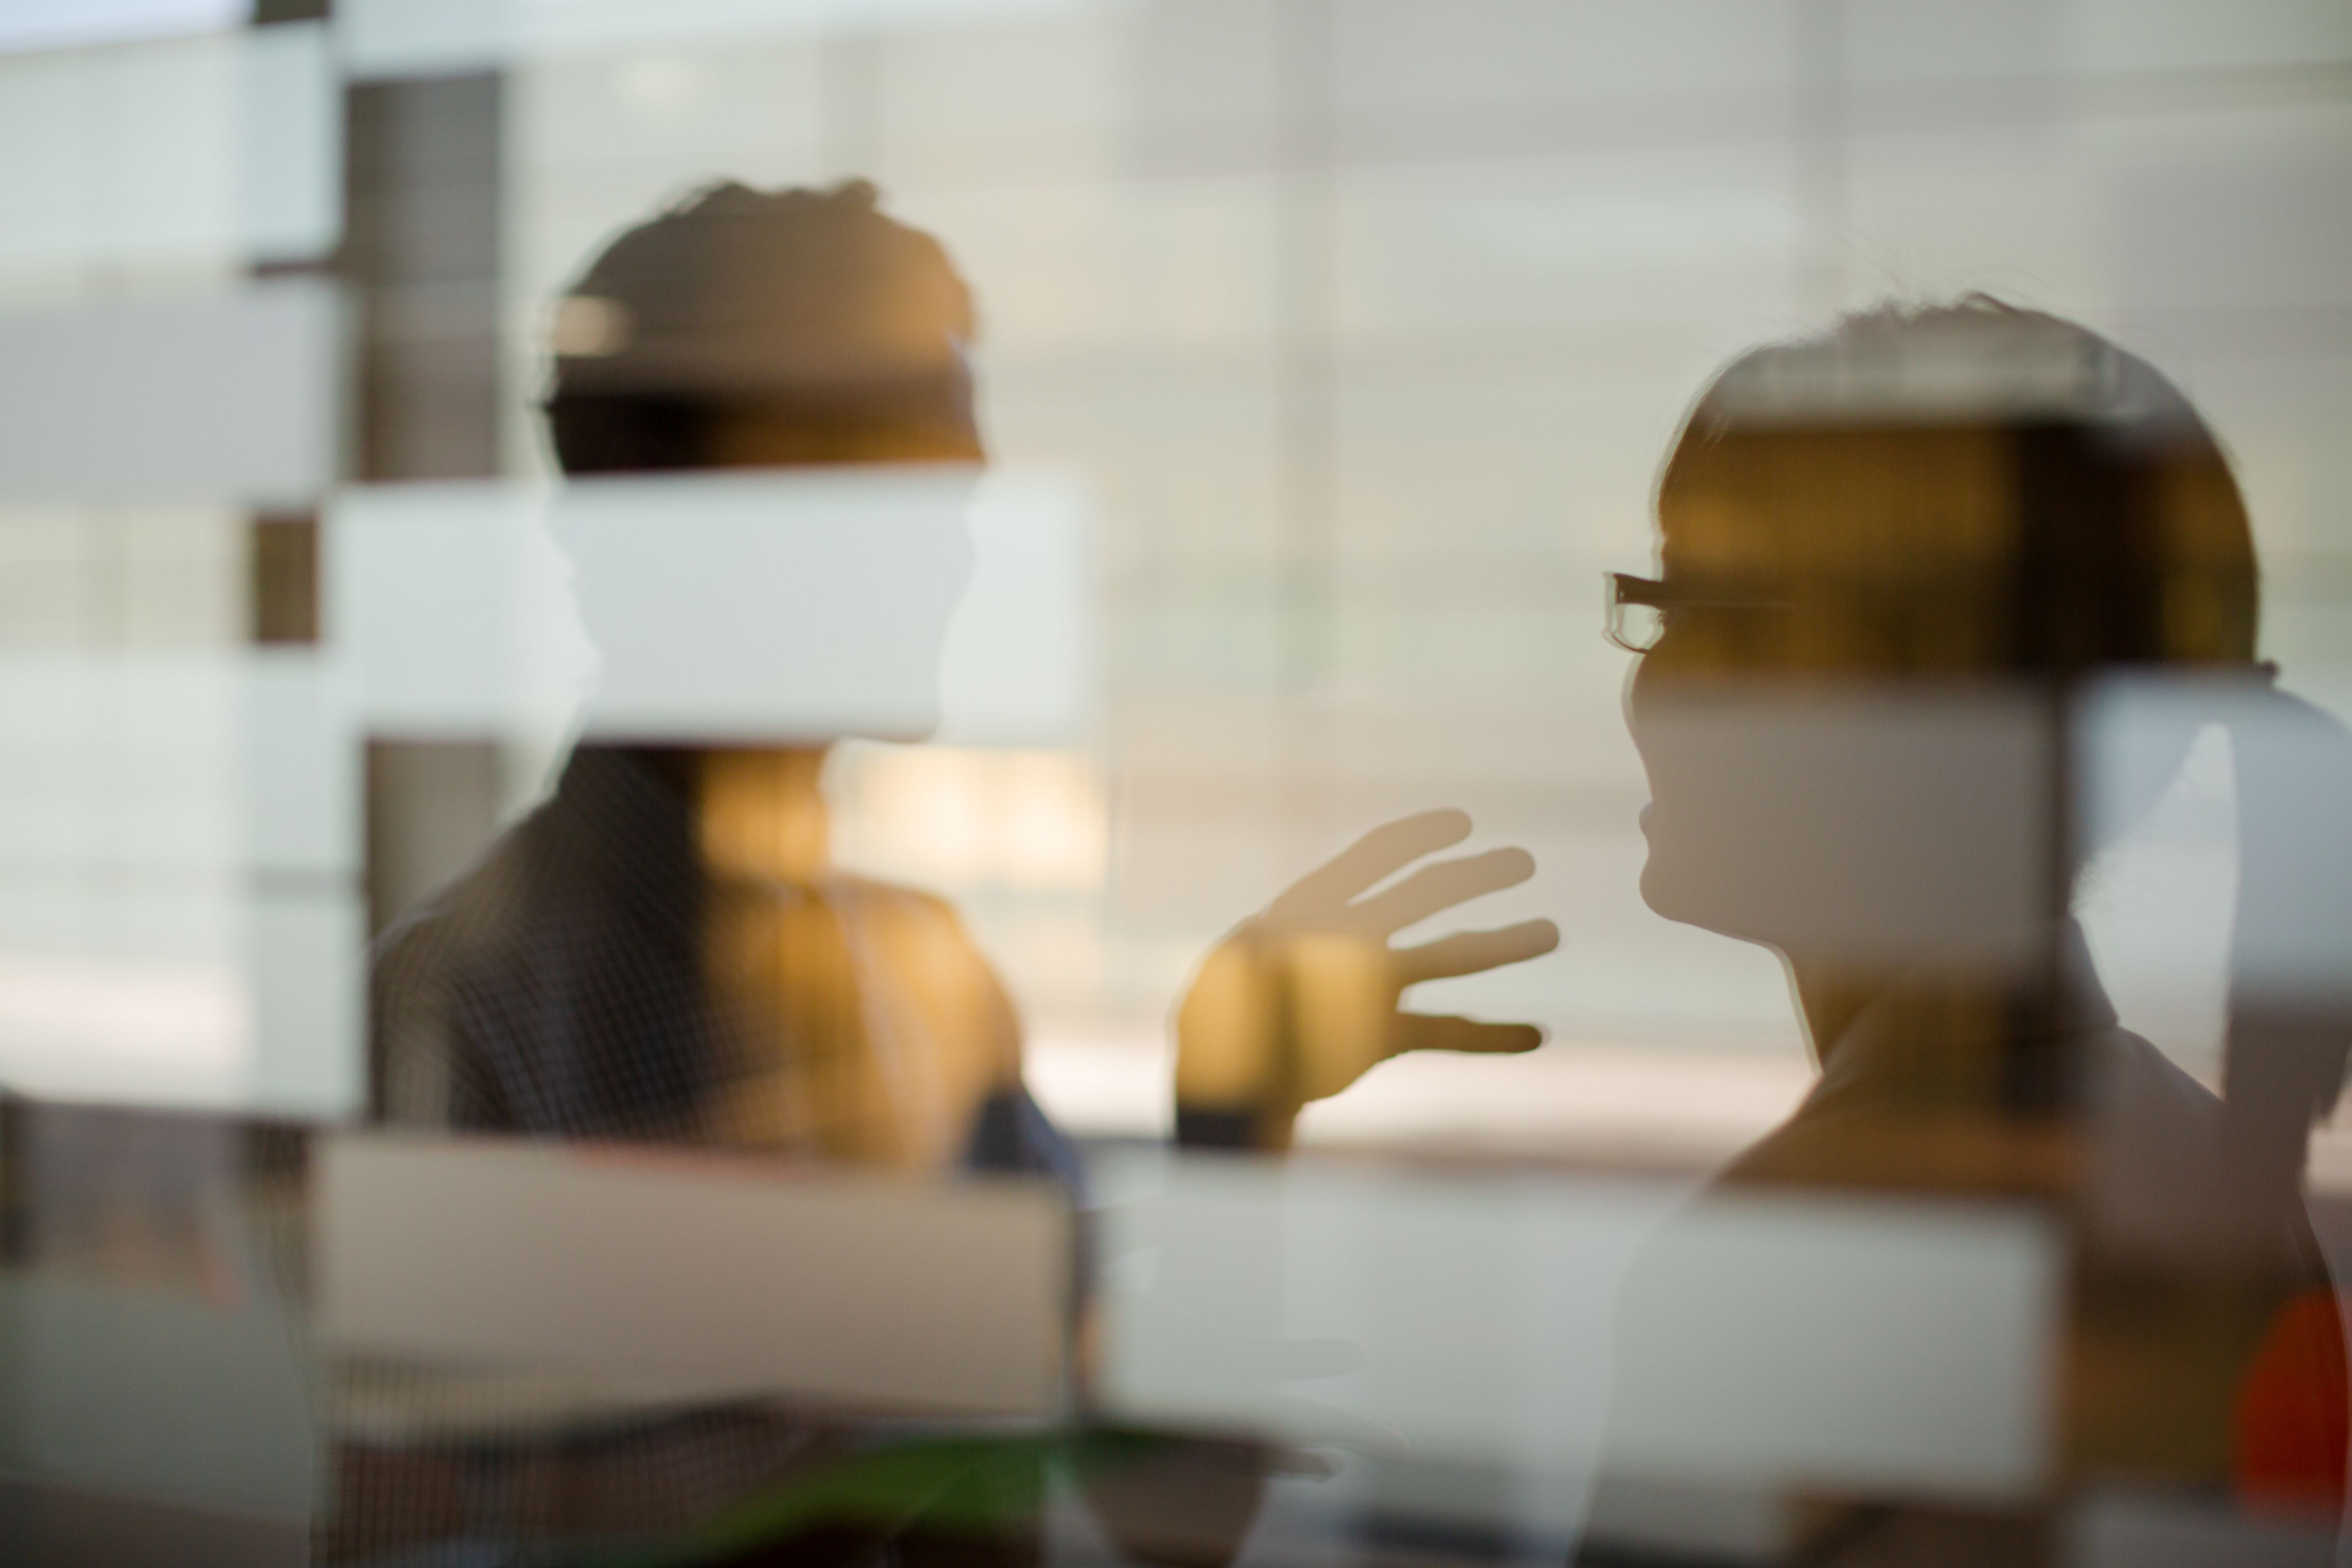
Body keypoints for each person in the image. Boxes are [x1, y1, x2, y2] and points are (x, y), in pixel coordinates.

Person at [336, 179, 1558, 1564]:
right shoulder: (470, 1017)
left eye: (955, 493)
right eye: (900, 487)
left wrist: (1233, 1107)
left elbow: (1170, 1515)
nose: (959, 551)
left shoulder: (928, 978)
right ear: (676, 518)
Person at [1607, 298, 2352, 1539]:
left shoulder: (1783, 1268)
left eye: (1686, 609)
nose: (1645, 682)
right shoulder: (2207, 1166)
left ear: (1876, 698)